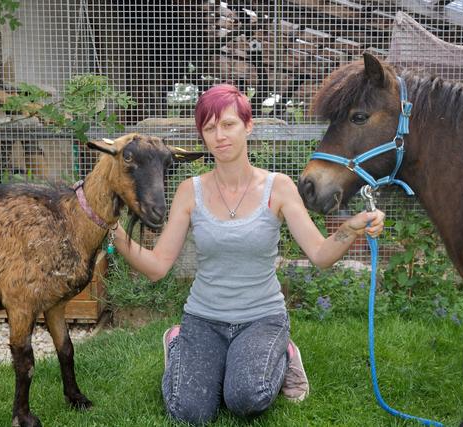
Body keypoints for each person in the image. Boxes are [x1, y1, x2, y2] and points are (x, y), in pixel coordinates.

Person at [113, 84, 385, 425]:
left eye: (228, 124)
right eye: (209, 128)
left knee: (246, 397)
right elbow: (156, 267)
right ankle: (179, 344)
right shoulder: (190, 192)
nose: (219, 136)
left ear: (248, 126)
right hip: (203, 319)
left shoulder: (278, 187)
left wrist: (352, 228)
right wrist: (114, 232)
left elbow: (320, 254)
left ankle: (283, 355)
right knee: (188, 411)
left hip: (261, 318)